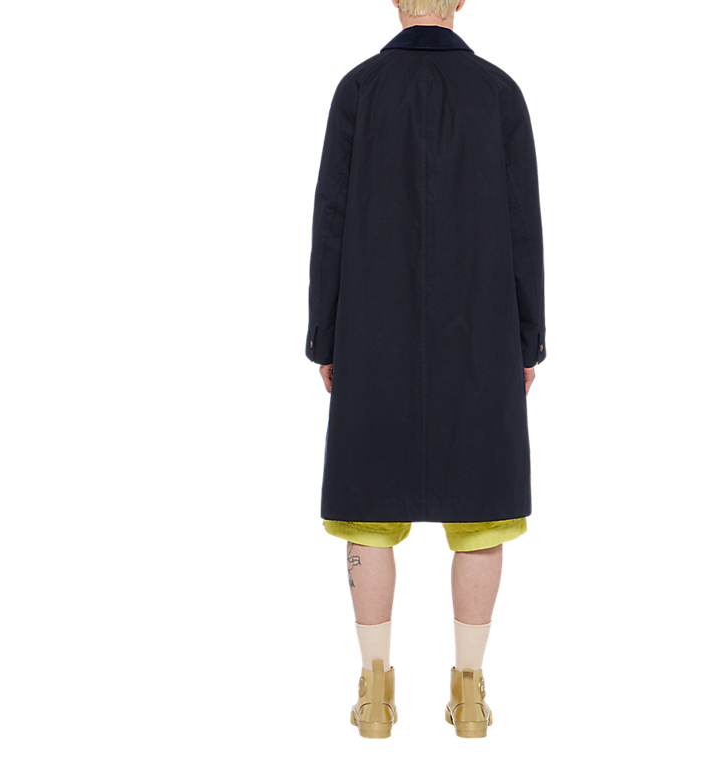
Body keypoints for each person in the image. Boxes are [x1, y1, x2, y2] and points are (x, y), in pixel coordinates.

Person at [305, 0, 546, 739]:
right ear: (460, 1)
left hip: (372, 331)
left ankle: (375, 691)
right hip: (481, 335)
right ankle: (469, 693)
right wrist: (528, 340)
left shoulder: (357, 89)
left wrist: (325, 338)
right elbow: (524, 224)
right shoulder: (500, 93)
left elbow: (331, 220)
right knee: (481, 518)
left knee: (368, 514)